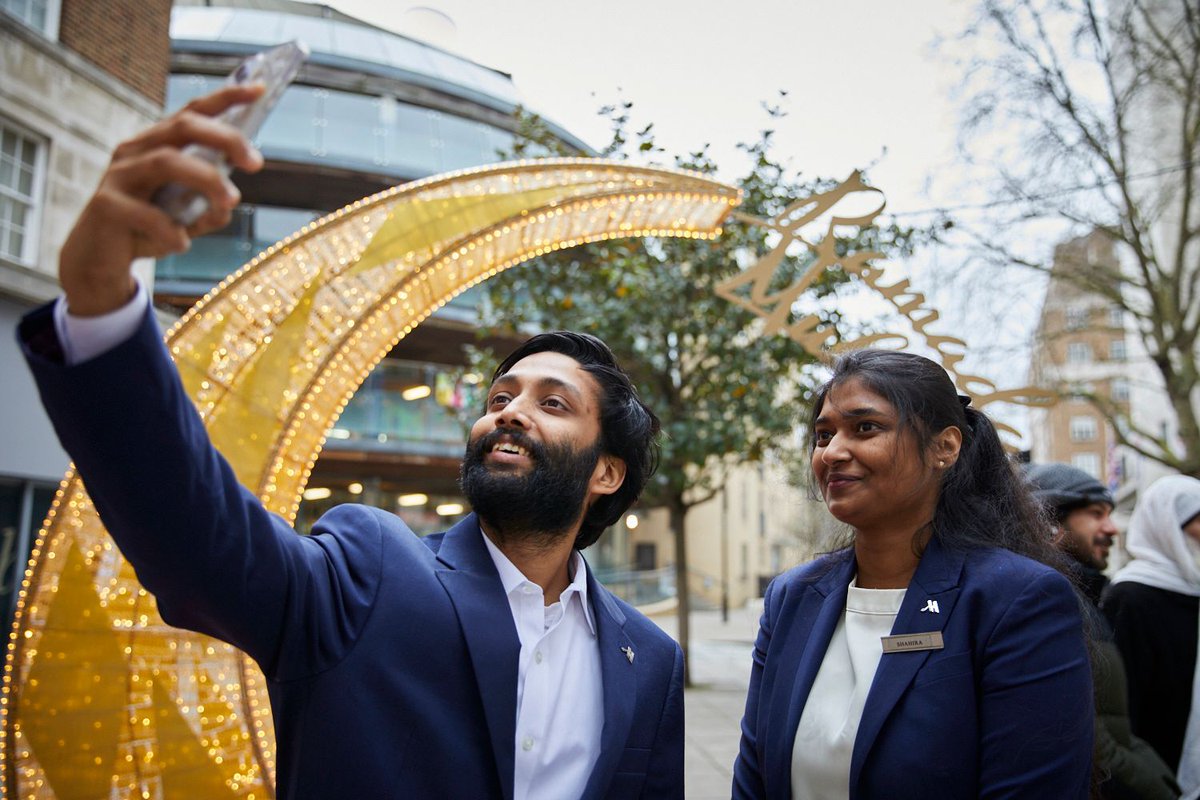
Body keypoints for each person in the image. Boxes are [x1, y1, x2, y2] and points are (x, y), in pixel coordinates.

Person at [18, 84, 683, 799]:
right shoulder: (369, 572)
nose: (510, 413)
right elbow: (197, 537)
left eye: (552, 403)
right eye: (499, 398)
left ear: (606, 474)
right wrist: (101, 305)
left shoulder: (648, 658)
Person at [732, 349, 1093, 800]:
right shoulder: (792, 597)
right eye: (823, 435)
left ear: (945, 447)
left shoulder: (1015, 601)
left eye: (866, 427)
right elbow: (754, 781)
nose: (833, 453)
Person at [1026, 463, 1180, 799]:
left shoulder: (1086, 597)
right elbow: (1087, 738)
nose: (1112, 528)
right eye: (1096, 514)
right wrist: (1160, 788)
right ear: (1047, 519)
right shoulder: (1042, 603)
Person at [1103, 474, 1200, 797]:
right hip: (1157, 770)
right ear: (1165, 528)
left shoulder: (1195, 590)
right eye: (1198, 519)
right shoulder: (1130, 597)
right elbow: (1121, 706)